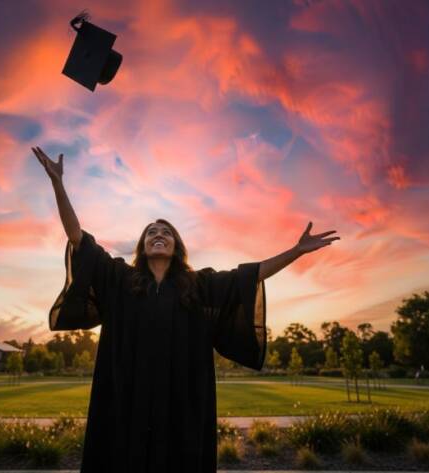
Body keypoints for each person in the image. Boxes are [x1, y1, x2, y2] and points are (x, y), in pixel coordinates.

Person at [32, 146, 339, 472]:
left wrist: (296, 251)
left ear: (176, 245)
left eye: (166, 232)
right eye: (151, 233)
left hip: (180, 402)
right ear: (143, 246)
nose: (158, 235)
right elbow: (79, 240)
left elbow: (249, 276)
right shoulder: (120, 279)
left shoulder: (199, 285)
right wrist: (58, 183)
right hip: (126, 400)